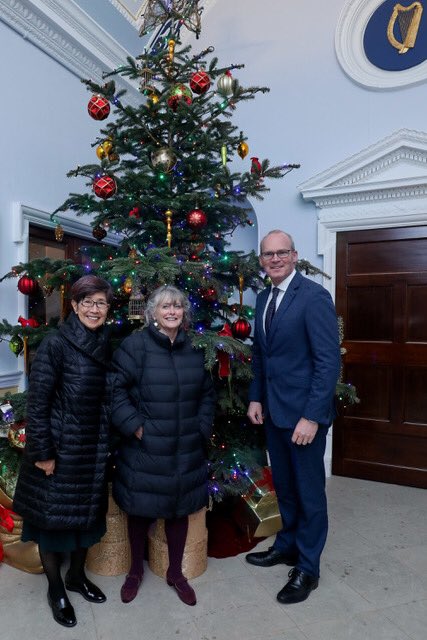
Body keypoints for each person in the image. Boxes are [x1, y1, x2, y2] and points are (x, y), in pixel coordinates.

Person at [246, 230, 341, 604]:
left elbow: (327, 361)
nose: (274, 259)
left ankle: (308, 567)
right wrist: (256, 399)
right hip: (273, 412)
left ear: (295, 255)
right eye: (268, 254)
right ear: (261, 260)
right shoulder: (263, 297)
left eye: (281, 252)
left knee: (309, 493)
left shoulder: (314, 297)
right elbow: (260, 356)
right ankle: (286, 545)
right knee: (284, 488)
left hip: (304, 419)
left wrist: (312, 417)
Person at [13, 275, 114, 628]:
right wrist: (43, 452)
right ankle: (56, 588)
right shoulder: (56, 344)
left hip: (92, 449)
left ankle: (76, 577)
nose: (93, 308)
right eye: (86, 301)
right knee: (52, 524)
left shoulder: (105, 342)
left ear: (108, 309)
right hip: (58, 450)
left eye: (100, 302)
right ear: (73, 305)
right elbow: (37, 403)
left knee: (86, 520)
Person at [109, 284, 216, 606]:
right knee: (140, 510)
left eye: (177, 307)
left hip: (186, 447)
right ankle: (134, 573)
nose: (172, 312)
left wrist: (200, 428)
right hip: (146, 446)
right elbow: (115, 390)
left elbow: (207, 395)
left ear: (184, 312)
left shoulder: (194, 349)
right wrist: (135, 427)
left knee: (179, 510)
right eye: (165, 306)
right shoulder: (135, 346)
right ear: (152, 312)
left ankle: (176, 573)